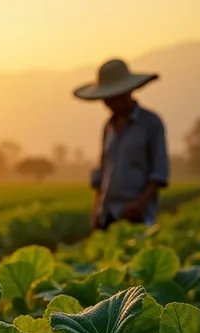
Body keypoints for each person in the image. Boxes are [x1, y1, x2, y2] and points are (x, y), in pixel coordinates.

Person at [73, 58, 169, 231]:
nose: (108, 105)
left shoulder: (151, 123)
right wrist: (96, 211)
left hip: (136, 216)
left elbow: (159, 173)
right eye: (105, 100)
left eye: (112, 99)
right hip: (107, 214)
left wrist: (139, 204)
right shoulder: (108, 127)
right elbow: (102, 171)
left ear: (127, 93)